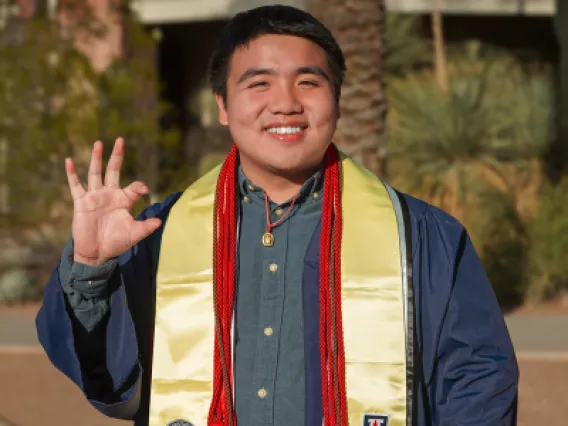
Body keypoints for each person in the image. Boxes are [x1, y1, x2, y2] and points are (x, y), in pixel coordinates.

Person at [36, 5, 518, 426]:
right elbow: (112, 388)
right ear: (223, 105)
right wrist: (92, 270)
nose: (286, 103)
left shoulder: (422, 237)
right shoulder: (159, 233)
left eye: (309, 82)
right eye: (259, 83)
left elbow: (478, 382)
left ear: (338, 101)